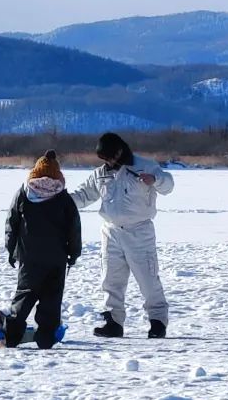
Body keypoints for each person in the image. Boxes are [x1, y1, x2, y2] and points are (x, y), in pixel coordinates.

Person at [71, 131, 174, 339]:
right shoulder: (100, 174)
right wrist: (58, 201)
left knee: (148, 278)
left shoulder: (145, 166)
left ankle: (157, 322)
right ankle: (113, 322)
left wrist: (154, 180)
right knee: (111, 279)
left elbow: (168, 184)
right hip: (111, 232)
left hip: (140, 232)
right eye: (104, 159)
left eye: (110, 157)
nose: (108, 162)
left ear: (119, 151)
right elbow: (83, 195)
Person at [4, 149, 81, 349]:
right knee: (51, 299)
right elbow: (74, 228)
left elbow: (12, 223)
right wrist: (74, 253)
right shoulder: (63, 198)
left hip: (29, 257)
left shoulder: (23, 193)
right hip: (56, 259)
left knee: (24, 295)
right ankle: (45, 338)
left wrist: (11, 249)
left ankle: (12, 336)